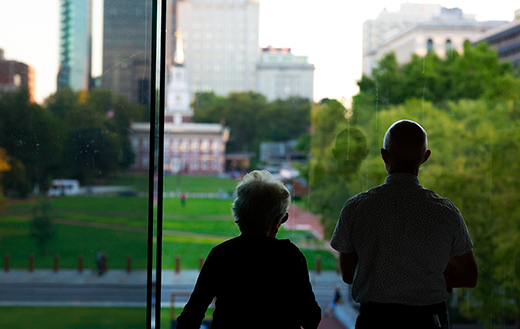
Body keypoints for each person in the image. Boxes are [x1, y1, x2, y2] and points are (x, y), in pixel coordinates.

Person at [330, 120, 478, 329]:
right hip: (428, 321)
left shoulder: (356, 208)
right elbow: (469, 276)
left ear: (384, 155)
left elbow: (347, 274)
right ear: (425, 157)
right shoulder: (445, 211)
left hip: (375, 321)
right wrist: (440, 276)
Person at [176, 170, 322, 329]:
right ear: (276, 221)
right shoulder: (290, 255)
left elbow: (190, 317)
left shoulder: (221, 254)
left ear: (239, 214)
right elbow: (311, 318)